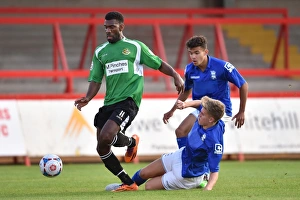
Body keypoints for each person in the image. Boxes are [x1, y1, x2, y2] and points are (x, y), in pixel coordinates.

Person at [74, 11, 184, 192]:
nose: (108, 31)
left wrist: (175, 74)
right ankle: (128, 180)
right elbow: (95, 79)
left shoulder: (135, 47)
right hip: (109, 102)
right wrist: (88, 97)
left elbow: (158, 63)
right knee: (102, 146)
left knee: (107, 136)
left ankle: (131, 150)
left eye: (112, 27)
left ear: (121, 27)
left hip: (129, 100)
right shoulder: (100, 51)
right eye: (105, 27)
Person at [106, 96, 226, 191]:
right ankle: (127, 185)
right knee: (144, 173)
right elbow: (200, 103)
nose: (199, 114)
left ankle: (199, 181)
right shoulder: (212, 119)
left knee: (149, 186)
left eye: (203, 114)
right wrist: (185, 105)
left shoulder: (214, 142)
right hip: (181, 155)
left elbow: (215, 170)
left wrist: (208, 189)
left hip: (187, 174)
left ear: (211, 119)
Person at [163, 35, 248, 149]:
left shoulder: (222, 66)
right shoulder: (189, 69)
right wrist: (172, 110)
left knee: (204, 139)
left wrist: (241, 111)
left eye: (197, 53)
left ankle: (207, 163)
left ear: (205, 52)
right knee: (181, 131)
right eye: (190, 53)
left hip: (220, 111)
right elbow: (186, 91)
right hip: (201, 109)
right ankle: (185, 161)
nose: (193, 56)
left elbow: (243, 85)